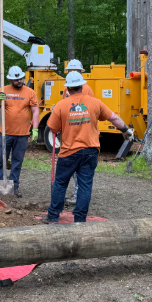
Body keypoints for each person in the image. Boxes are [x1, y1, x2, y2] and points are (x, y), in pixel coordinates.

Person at [44, 71, 131, 223]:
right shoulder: (95, 102)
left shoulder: (61, 105)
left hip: (69, 153)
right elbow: (114, 118)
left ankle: (52, 216)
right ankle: (80, 219)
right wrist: (126, 131)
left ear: (68, 88)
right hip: (90, 151)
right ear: (82, 86)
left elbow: (52, 129)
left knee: (60, 183)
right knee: (85, 186)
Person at [0, 65, 40, 198]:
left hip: (22, 134)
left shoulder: (30, 92)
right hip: (5, 133)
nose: (20, 81)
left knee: (17, 161)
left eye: (21, 79)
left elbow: (35, 111)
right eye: (16, 80)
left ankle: (14, 187)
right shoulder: (3, 90)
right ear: (11, 80)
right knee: (1, 159)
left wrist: (35, 129)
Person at [61, 59, 94, 206]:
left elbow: (89, 110)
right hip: (70, 133)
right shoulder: (66, 89)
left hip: (81, 134)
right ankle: (78, 194)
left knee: (79, 169)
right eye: (70, 71)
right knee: (75, 169)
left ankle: (77, 195)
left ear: (81, 72)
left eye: (75, 71)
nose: (72, 73)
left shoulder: (86, 89)